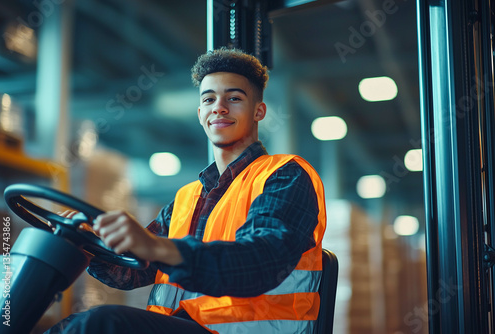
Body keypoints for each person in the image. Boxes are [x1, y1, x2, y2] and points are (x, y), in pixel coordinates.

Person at [46, 48, 327, 334]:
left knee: (101, 324)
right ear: (200, 113)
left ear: (259, 110)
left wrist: (156, 246)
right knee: (71, 326)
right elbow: (133, 270)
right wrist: (90, 245)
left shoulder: (285, 175)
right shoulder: (186, 198)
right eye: (209, 99)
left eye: (234, 98)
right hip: (182, 326)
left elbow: (259, 262)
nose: (219, 107)